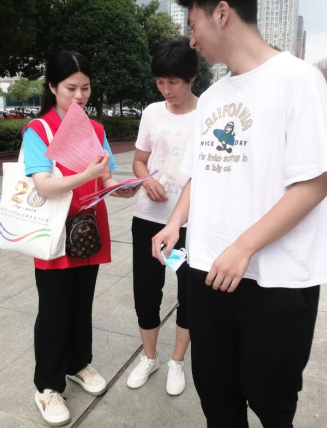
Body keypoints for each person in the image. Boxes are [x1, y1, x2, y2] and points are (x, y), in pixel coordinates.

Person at [153, 1, 327, 427]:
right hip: (207, 271)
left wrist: (244, 247)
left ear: (221, 12)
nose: (191, 40)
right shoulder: (212, 98)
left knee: (272, 401)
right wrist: (174, 223)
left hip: (275, 279)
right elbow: (200, 173)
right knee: (216, 395)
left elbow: (313, 183)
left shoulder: (298, 80)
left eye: (193, 24)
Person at [23, 50, 139, 427]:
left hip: (88, 229)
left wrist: (119, 187)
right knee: (54, 310)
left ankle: (78, 364)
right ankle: (47, 386)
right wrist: (86, 174)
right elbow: (44, 185)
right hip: (56, 233)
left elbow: (104, 178)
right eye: (70, 87)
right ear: (52, 86)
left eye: (85, 88)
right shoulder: (39, 130)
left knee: (81, 303)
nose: (79, 96)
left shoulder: (96, 129)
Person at [127, 38, 198, 396]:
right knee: (146, 291)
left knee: (188, 292)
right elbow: (139, 160)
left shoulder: (207, 114)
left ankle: (177, 362)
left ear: (192, 78)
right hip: (149, 220)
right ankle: (150, 357)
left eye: (174, 82)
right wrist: (146, 179)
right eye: (160, 82)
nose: (166, 90)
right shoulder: (152, 113)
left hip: (187, 226)